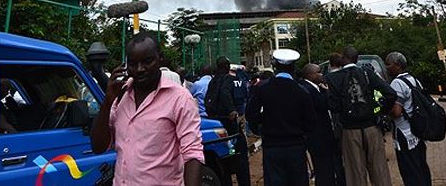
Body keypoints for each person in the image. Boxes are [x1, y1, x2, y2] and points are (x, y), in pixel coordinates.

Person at [90, 32, 204, 186]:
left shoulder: (180, 98)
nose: (139, 69)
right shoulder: (120, 96)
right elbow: (98, 147)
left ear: (160, 58)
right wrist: (108, 100)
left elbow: (193, 154)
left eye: (147, 61)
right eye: (132, 64)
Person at [325, 46, 396, 186]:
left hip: (350, 130)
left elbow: (333, 106)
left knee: (355, 172)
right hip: (372, 127)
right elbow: (390, 94)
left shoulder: (332, 78)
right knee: (379, 169)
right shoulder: (367, 73)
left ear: (343, 58)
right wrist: (379, 111)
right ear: (356, 59)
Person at [246, 49, 316, 186]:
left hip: (272, 146)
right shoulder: (302, 91)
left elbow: (250, 114)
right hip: (296, 146)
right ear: (294, 68)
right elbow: (311, 121)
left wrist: (261, 126)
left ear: (275, 67)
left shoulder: (263, 88)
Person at [385, 52, 432, 186]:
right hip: (418, 133)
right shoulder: (414, 80)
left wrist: (384, 108)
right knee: (422, 168)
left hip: (404, 134)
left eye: (389, 64)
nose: (387, 67)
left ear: (398, 65)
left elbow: (396, 112)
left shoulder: (397, 83)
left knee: (410, 172)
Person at [298, 64, 346, 186]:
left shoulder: (315, 88)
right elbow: (323, 104)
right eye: (318, 72)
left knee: (329, 168)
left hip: (325, 136)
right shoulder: (307, 89)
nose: (321, 75)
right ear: (310, 75)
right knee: (324, 170)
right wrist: (328, 91)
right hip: (318, 137)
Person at [205, 57, 249, 186]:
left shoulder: (212, 82)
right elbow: (225, 93)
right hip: (230, 125)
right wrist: (232, 110)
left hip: (217, 125)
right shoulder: (230, 80)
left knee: (224, 158)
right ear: (227, 67)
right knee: (239, 155)